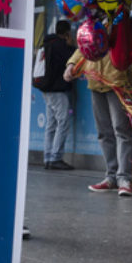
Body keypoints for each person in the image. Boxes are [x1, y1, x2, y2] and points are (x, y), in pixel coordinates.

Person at [65, 48, 132, 197]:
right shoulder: (92, 23)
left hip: (118, 81)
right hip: (96, 80)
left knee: (122, 131)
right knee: (104, 132)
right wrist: (71, 64)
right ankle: (111, 177)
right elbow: (84, 45)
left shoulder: (121, 24)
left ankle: (124, 179)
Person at [40, 21, 76, 170]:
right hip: (57, 90)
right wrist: (71, 45)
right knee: (63, 122)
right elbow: (71, 59)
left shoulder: (47, 43)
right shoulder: (60, 45)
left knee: (51, 125)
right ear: (67, 33)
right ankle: (56, 157)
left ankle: (48, 157)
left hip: (46, 89)